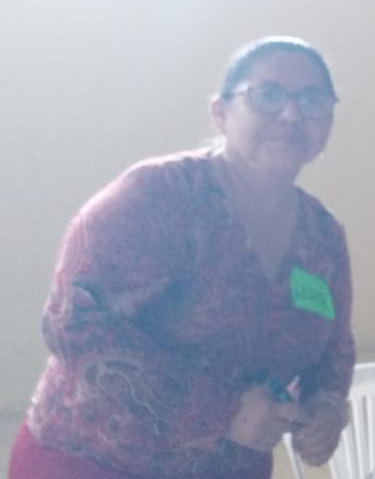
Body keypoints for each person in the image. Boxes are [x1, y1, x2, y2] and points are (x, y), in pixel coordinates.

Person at [9, 36, 355, 478]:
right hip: (95, 461)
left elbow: (334, 350)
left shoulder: (322, 238)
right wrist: (222, 411)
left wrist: (326, 407)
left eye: (312, 100)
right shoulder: (158, 196)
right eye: (267, 96)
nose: (291, 115)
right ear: (220, 113)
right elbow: (71, 322)